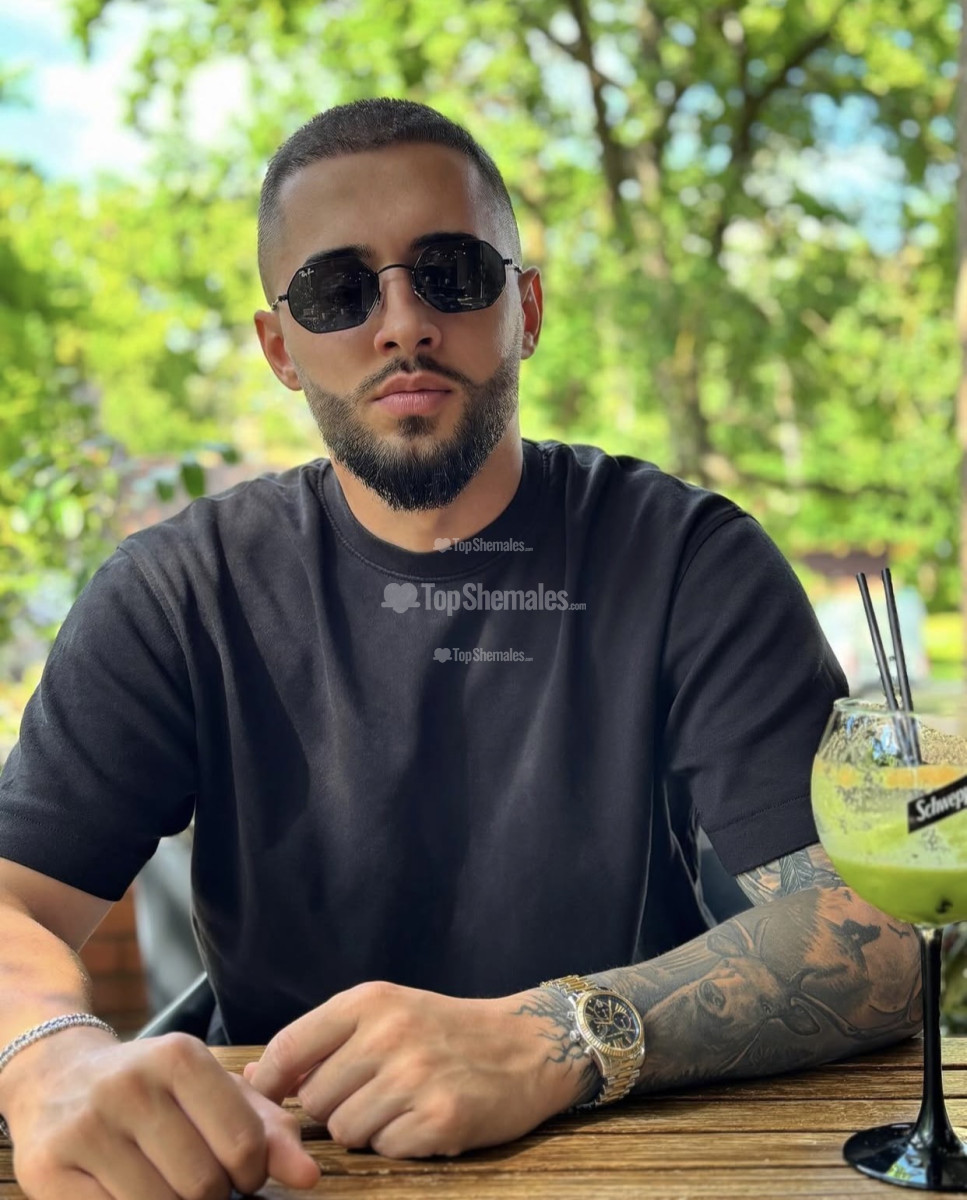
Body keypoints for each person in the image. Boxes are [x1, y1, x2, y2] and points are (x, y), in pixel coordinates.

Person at [0, 98, 921, 1200]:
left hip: (646, 1160)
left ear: (524, 308)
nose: (402, 324)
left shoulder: (687, 560)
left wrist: (555, 1037)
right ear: (280, 348)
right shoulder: (176, 595)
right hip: (291, 1164)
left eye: (450, 272)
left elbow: (877, 930)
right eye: (337, 290)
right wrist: (46, 1058)